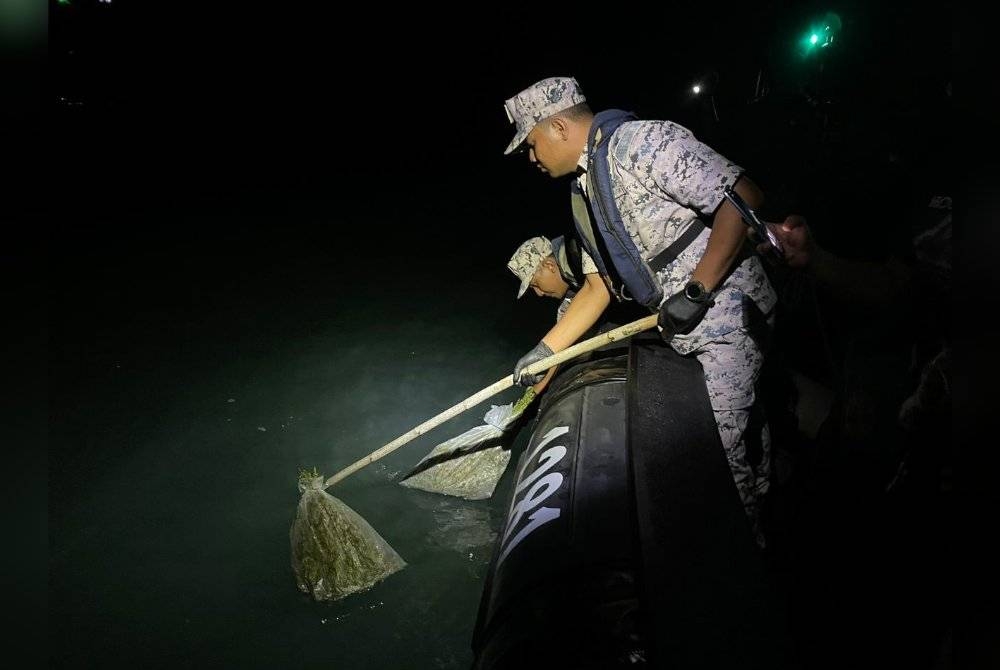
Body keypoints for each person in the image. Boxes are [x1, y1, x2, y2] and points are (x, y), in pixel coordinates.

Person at [502, 76, 778, 545]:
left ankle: (744, 558)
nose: (532, 157)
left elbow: (742, 197)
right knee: (743, 431)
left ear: (558, 127)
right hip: (684, 330)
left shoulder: (642, 142)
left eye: (531, 144)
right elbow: (597, 288)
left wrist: (697, 290)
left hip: (727, 315)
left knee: (716, 457)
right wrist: (544, 351)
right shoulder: (585, 193)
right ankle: (764, 508)